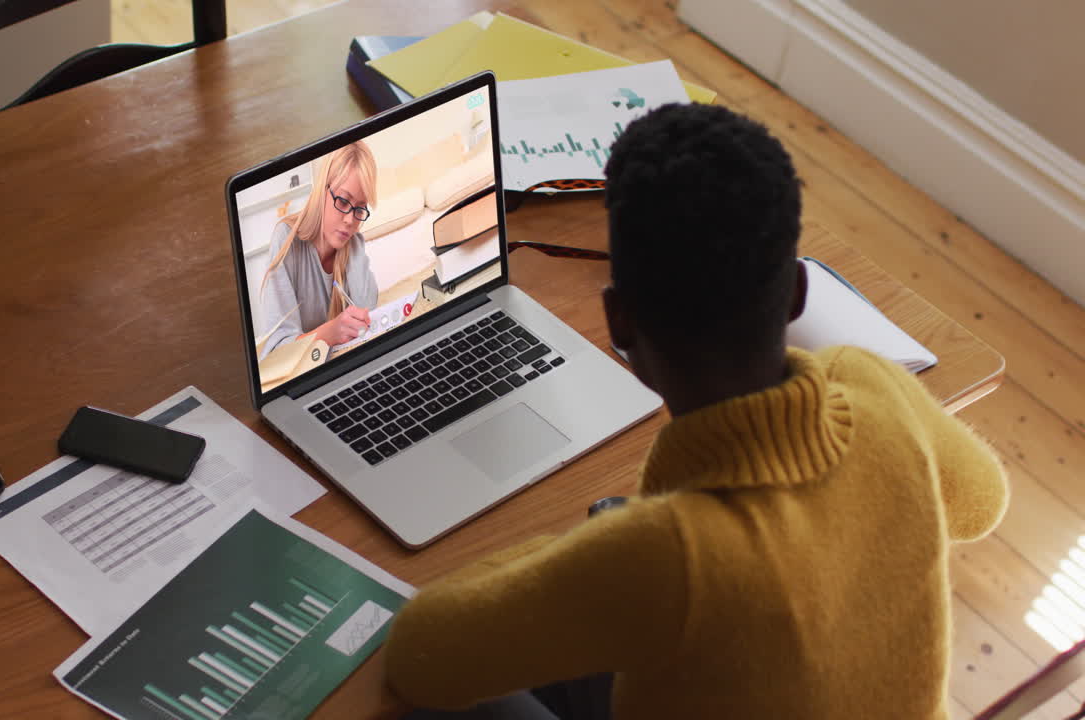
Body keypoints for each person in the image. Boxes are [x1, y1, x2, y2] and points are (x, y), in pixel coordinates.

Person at [383, 103, 1009, 718]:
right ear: (795, 291)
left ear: (619, 320)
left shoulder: (662, 556)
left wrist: (591, 552)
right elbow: (982, 503)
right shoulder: (873, 384)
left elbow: (420, 655)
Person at [257, 141, 380, 359]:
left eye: (360, 208)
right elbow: (277, 351)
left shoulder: (354, 243)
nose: (350, 220)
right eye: (343, 201)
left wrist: (356, 247)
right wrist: (330, 333)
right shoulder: (286, 240)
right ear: (322, 190)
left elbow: (368, 317)